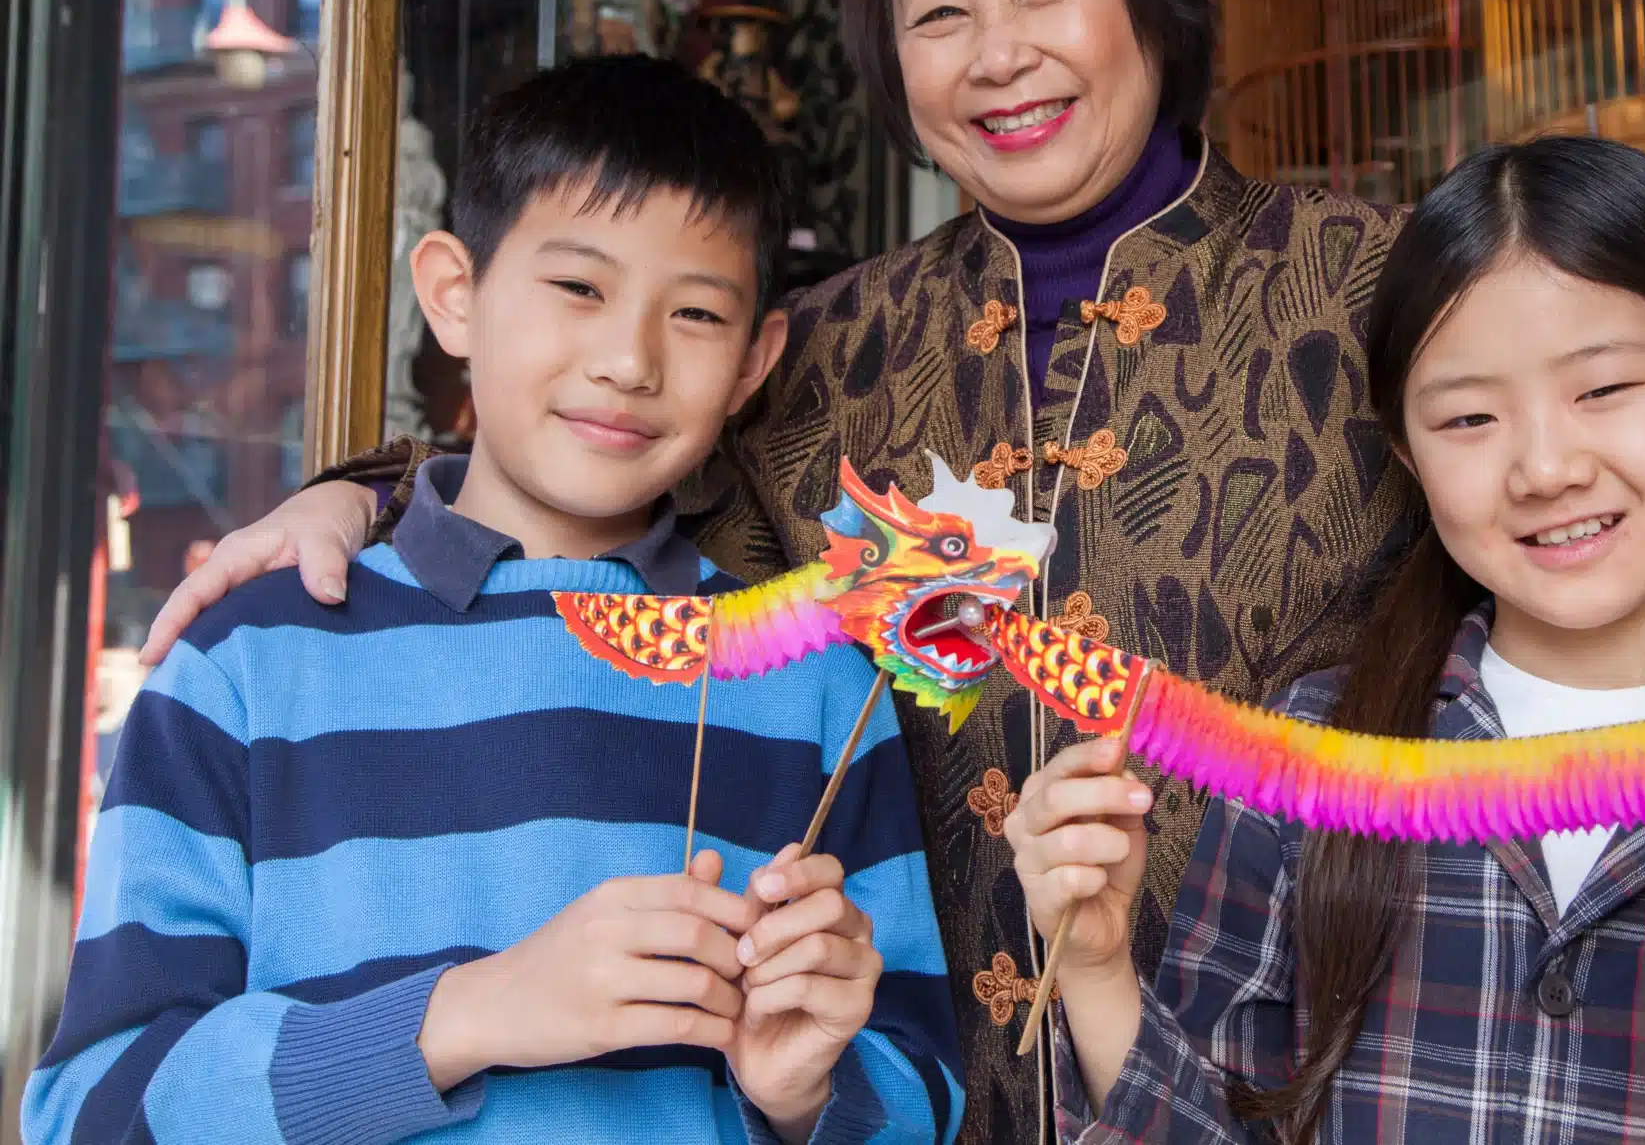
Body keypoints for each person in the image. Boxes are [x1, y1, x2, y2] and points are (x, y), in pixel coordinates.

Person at [136, 0, 1645, 1144]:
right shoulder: (833, 347)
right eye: (934, 13)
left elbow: (1585, 493)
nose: (997, 54)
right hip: (904, 1095)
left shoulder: (1363, 279)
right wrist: (370, 487)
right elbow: (599, 455)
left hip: (1288, 1082)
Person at [1007, 137, 1645, 1144]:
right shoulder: (1307, 746)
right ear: (1405, 453)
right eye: (1468, 419)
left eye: (1602, 391)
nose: (1543, 468)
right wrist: (1094, 973)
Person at [27, 57, 961, 1145]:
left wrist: (806, 1093)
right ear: (453, 295)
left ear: (754, 363)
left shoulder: (815, 687)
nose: (627, 359)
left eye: (696, 313)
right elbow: (92, 1115)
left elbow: (921, 1089)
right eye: (577, 287)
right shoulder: (247, 663)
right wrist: (470, 1014)